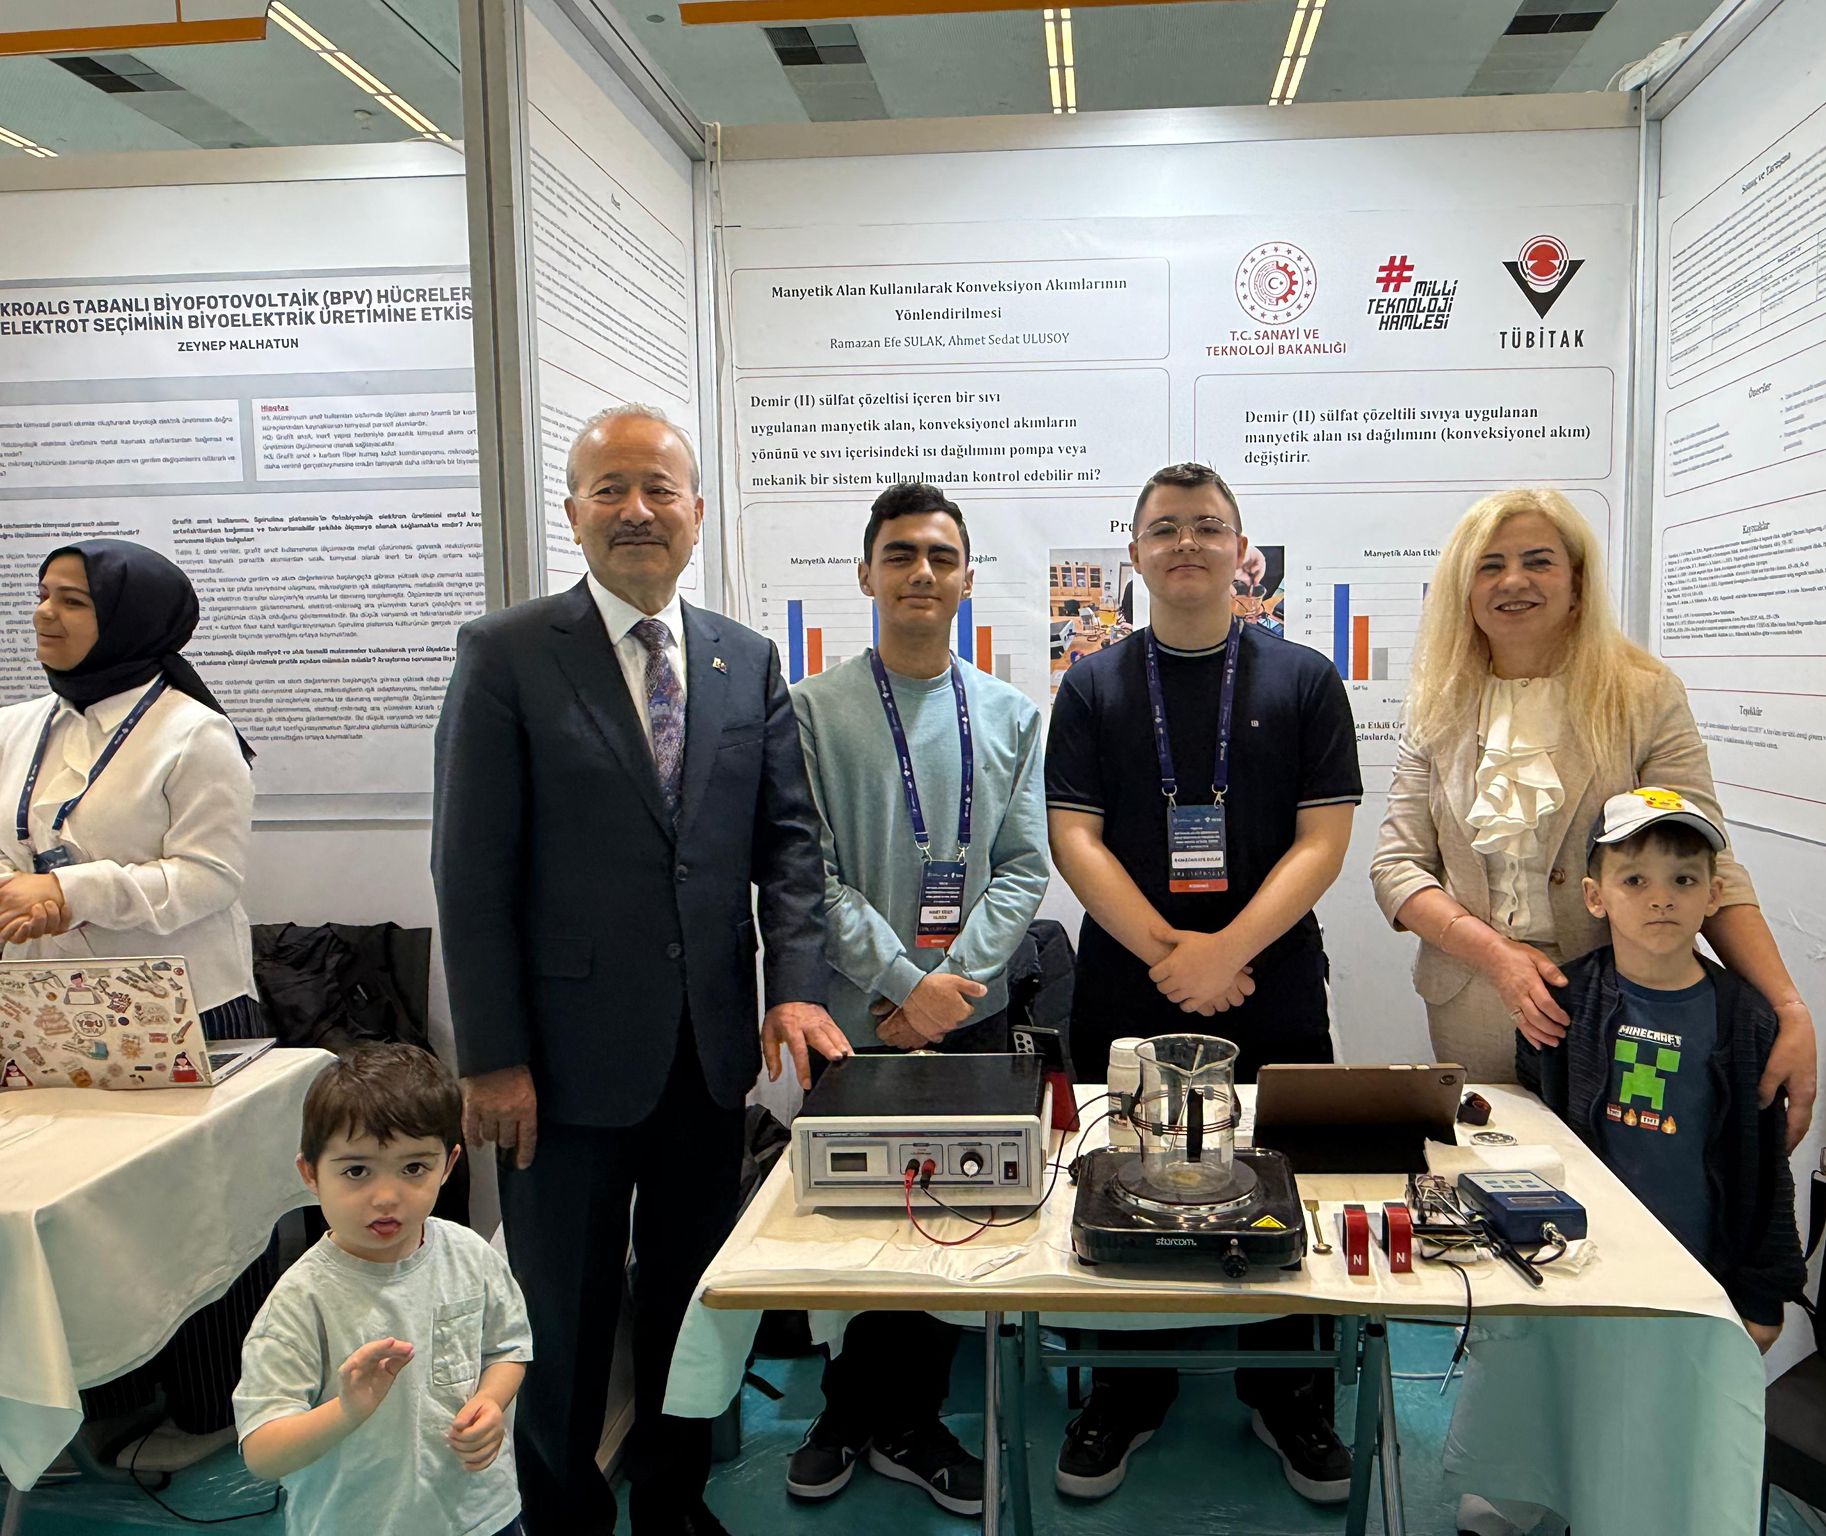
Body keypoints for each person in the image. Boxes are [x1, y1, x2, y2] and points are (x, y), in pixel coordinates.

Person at [432, 403, 849, 1536]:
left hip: (704, 1054)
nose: (635, 510)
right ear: (572, 512)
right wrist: (493, 1058)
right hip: (557, 1066)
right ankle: (559, 1516)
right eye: (608, 488)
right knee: (559, 1316)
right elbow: (469, 871)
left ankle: (673, 1504)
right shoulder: (508, 654)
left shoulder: (743, 659)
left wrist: (794, 985)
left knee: (687, 1302)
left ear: (696, 513)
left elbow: (788, 845)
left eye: (658, 488)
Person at [1045, 462, 1361, 1504]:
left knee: (1281, 1173)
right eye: (1166, 528)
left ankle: (1290, 1390)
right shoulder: (1092, 684)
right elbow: (1075, 838)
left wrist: (1227, 951)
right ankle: (1125, 1388)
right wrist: (1170, 954)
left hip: (1270, 980)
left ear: (1242, 552)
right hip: (1129, 981)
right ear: (1134, 554)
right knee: (1127, 1171)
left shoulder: (1304, 678)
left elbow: (1323, 840)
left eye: (1208, 526)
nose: (1187, 542)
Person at [1369, 488, 1818, 1145]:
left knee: (1624, 1181)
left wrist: (1786, 1005)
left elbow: (1708, 863)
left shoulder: (1644, 696)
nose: (1513, 580)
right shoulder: (1436, 703)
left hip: (1627, 997)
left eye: (1538, 561)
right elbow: (1397, 867)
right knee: (1492, 1176)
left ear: (1577, 583)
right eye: (1490, 565)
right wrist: (1497, 956)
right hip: (1473, 1001)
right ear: (1464, 589)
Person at [782, 482, 1049, 1516]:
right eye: (899, 554)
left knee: (944, 1223)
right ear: (865, 575)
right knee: (852, 1223)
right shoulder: (810, 712)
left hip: (967, 1016)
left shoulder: (1012, 715)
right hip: (850, 1019)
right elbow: (810, 872)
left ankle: (909, 1420)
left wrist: (946, 994)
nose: (921, 573)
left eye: (940, 556)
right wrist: (902, 983)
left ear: (967, 578)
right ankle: (851, 1411)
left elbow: (1022, 869)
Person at [1455, 789, 1804, 1535]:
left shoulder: (1746, 1018)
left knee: (1652, 1428)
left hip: (1691, 1273)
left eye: (1684, 879)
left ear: (1715, 895)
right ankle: (1522, 1496)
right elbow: (1535, 1137)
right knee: (1557, 1395)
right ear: (1596, 896)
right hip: (1580, 1263)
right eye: (1635, 879)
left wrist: (1766, 1289)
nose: (1661, 899)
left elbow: (1762, 1165)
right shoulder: (1565, 1004)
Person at [0, 539, 267, 1436]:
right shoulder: (15, 726)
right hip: (50, 1014)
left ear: (130, 620)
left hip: (182, 1009)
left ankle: (210, 1411)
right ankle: (105, 1400)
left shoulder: (193, 733)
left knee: (192, 1215)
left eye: (74, 601)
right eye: (42, 594)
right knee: (85, 1218)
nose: (46, 614)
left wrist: (71, 892)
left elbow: (208, 877)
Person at [235, 1044, 532, 1536]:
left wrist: (490, 1401)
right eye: (356, 1171)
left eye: (414, 1168)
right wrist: (345, 1411)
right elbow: (262, 1451)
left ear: (448, 1164)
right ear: (310, 1173)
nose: (387, 1196)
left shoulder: (469, 1254)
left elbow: (507, 1347)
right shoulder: (301, 1302)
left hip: (482, 1515)